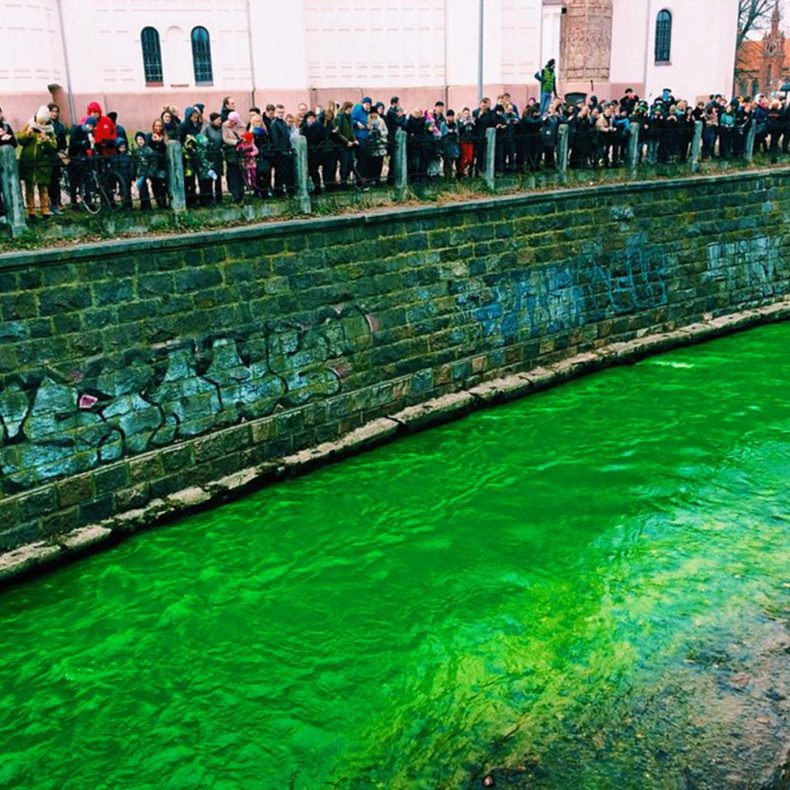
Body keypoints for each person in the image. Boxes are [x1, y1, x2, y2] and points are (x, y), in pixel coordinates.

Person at [16, 104, 58, 219]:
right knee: (29, 188)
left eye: (43, 123)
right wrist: (27, 135)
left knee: (43, 188)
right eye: (40, 122)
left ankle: (45, 209)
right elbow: (19, 139)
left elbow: (54, 146)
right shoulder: (29, 124)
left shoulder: (50, 130)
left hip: (43, 164)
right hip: (29, 162)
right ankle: (31, 211)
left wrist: (46, 140)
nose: (41, 125)